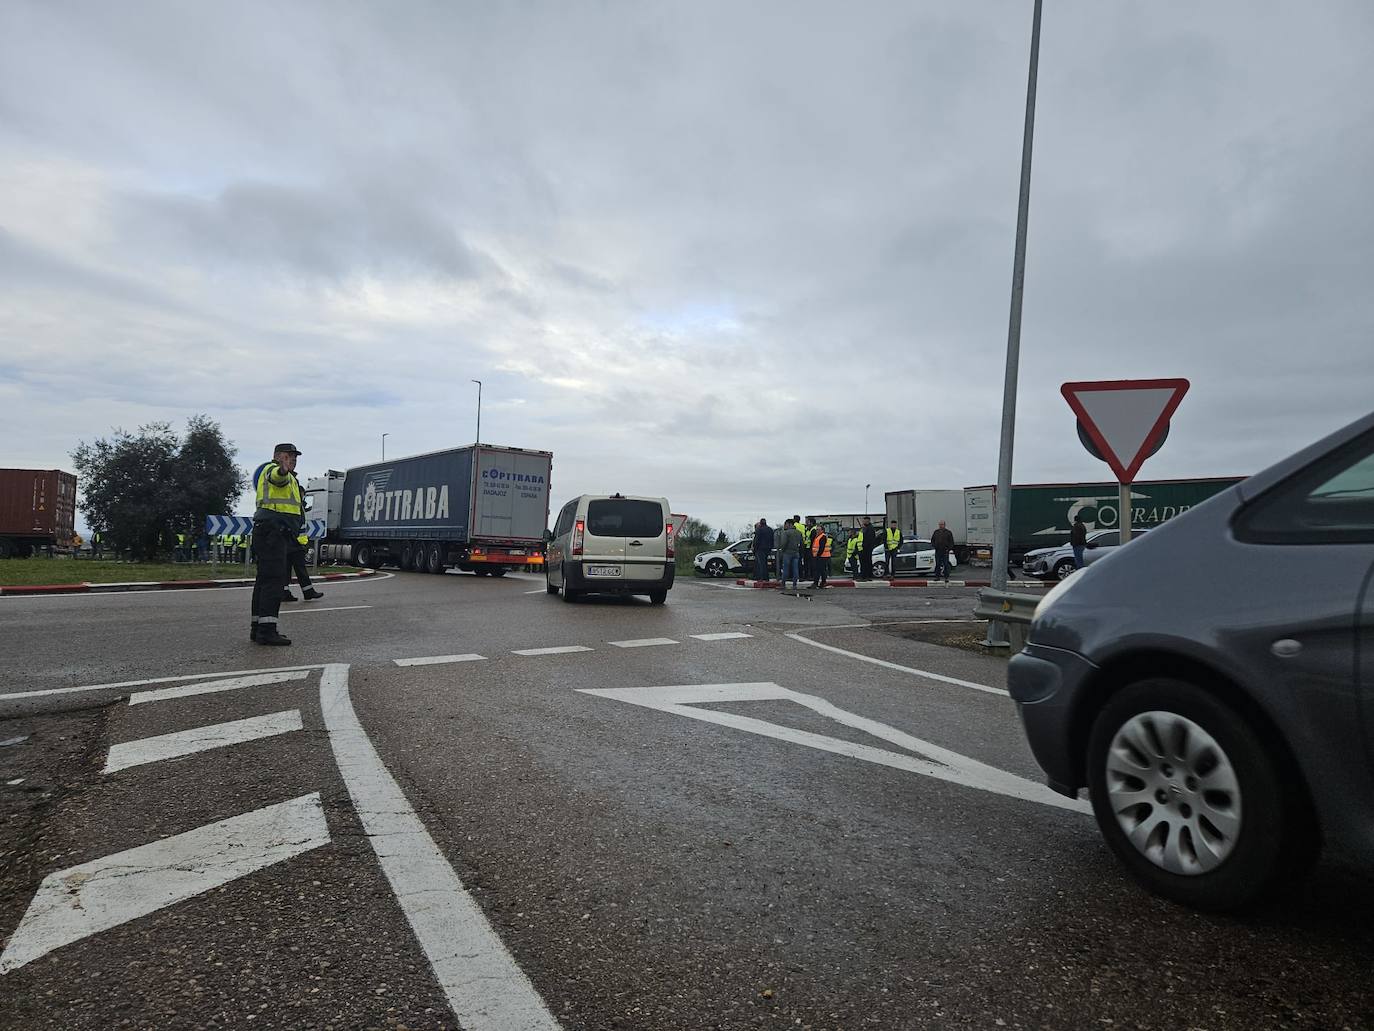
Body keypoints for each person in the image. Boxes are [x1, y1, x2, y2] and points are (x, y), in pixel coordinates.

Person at [251, 443, 306, 645]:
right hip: (273, 533)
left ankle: (257, 628)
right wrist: (281, 469)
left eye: (294, 457)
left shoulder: (292, 477)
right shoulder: (272, 470)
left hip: (272, 533)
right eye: (289, 456)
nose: (293, 459)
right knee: (274, 582)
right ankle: (267, 631)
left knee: (264, 582)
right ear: (278, 457)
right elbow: (277, 477)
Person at [777, 517, 803, 592]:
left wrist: (782, 550)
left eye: (785, 524)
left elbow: (783, 543)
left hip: (787, 553)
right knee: (795, 569)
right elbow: (801, 543)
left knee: (785, 569)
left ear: (789, 524)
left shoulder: (786, 533)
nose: (785, 526)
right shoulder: (799, 532)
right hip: (796, 553)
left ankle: (783, 584)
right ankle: (794, 585)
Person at [752, 518, 774, 582]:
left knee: (761, 564)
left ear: (761, 523)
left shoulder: (759, 530)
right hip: (768, 548)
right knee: (765, 563)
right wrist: (771, 547)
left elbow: (756, 540)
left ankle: (762, 577)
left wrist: (755, 549)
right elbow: (772, 539)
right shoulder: (770, 529)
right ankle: (766, 577)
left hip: (760, 549)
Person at [810, 523, 831, 589]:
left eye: (819, 530)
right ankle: (822, 583)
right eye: (816, 530)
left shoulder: (822, 536)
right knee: (821, 570)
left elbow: (821, 548)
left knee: (818, 570)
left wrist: (817, 555)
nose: (817, 531)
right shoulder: (818, 536)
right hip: (820, 556)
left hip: (822, 556)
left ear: (822, 530)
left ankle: (817, 583)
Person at [859, 517, 877, 581]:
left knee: (867, 562)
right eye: (863, 520)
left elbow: (869, 539)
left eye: (865, 521)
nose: (863, 522)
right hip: (862, 548)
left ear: (868, 521)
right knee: (863, 563)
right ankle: (863, 576)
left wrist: (866, 546)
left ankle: (867, 576)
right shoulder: (864, 528)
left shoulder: (870, 528)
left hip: (867, 548)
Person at [795, 515, 811, 582]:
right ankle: (803, 576)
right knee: (802, 561)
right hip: (803, 544)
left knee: (796, 561)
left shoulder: (794, 525)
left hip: (796, 544)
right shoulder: (802, 526)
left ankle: (798, 576)